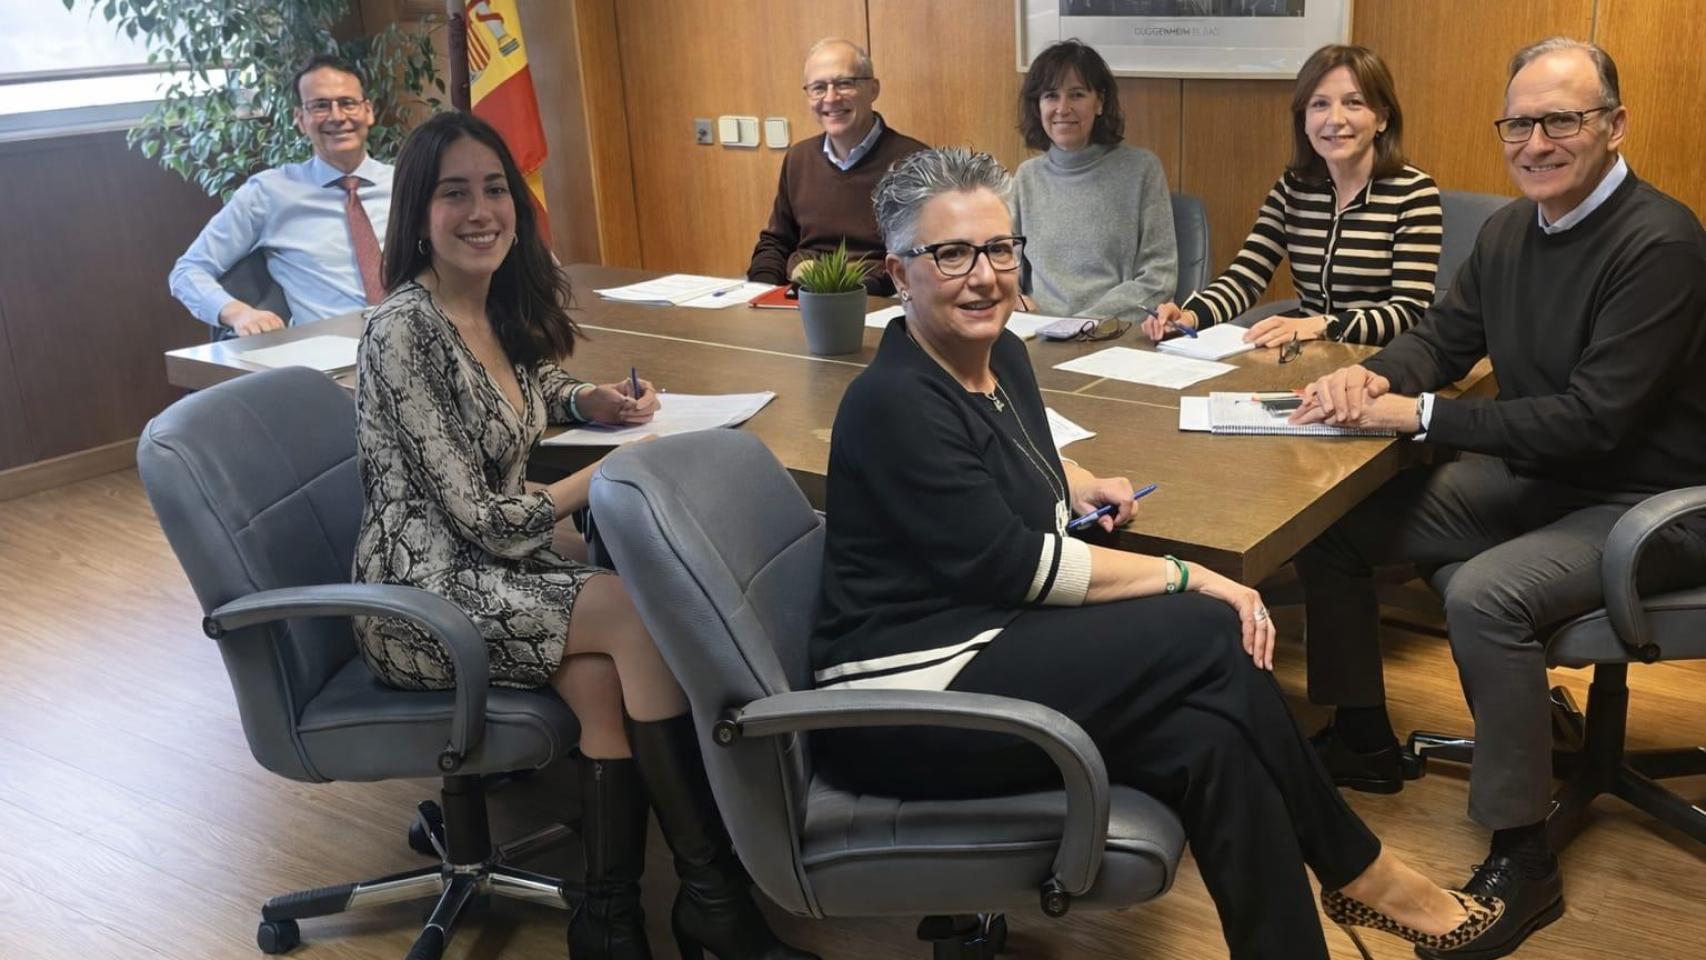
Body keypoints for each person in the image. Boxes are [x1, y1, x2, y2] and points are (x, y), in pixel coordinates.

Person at [811, 147, 1502, 960]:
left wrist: (1075, 481)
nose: (985, 275)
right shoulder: (891, 401)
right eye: (952, 254)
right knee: (1210, 628)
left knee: (1211, 740)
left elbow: (1004, 458)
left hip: (988, 638)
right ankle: (1366, 873)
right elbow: (1019, 568)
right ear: (898, 271)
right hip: (905, 697)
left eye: (1000, 249)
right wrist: (1188, 574)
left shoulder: (1000, 356)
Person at [352, 110, 816, 960]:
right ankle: (712, 897)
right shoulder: (401, 329)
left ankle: (609, 917)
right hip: (419, 595)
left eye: (496, 188)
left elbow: (521, 390)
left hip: (489, 567)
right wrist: (594, 477)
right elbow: (481, 519)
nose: (482, 209)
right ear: (418, 210)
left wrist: (586, 403)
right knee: (639, 614)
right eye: (455, 193)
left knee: (606, 675)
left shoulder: (486, 307)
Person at [1289, 38, 1706, 960]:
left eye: (1563, 119)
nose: (1536, 141)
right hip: (1540, 477)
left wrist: (1423, 413)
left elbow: (1594, 422)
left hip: (1651, 502)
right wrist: (1369, 381)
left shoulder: (1663, 241)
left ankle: (1525, 859)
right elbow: (1439, 338)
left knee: (1488, 594)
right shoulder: (1513, 231)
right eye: (1519, 121)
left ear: (1614, 126)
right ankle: (1361, 735)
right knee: (1335, 532)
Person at [1145, 45, 1441, 348]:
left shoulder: (1414, 192)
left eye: (1353, 103)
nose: (1334, 119)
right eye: (1320, 104)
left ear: (1382, 119)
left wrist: (1321, 325)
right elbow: (1245, 278)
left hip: (1380, 363)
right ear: (1304, 119)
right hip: (1306, 357)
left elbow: (1409, 312)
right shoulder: (1294, 186)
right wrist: (1189, 317)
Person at [170, 55, 393, 337]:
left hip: (420, 347)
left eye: (347, 103)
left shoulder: (408, 183)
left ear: (368, 111)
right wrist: (239, 314)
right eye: (320, 106)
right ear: (300, 119)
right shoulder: (270, 193)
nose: (337, 117)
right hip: (332, 360)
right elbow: (187, 272)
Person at [746, 38, 927, 296]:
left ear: (873, 89)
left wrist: (847, 290)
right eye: (818, 88)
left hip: (878, 299)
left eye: (844, 84)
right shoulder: (798, 159)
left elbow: (920, 255)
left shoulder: (915, 161)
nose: (830, 98)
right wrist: (761, 290)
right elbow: (776, 242)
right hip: (799, 297)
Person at [1013, 39, 1176, 320]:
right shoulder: (1027, 178)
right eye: (1051, 96)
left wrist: (1080, 325)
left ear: (1099, 102)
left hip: (1114, 335)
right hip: (1038, 335)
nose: (1063, 108)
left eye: (1076, 95)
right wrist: (1014, 301)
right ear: (1037, 106)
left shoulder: (1142, 170)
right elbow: (1003, 264)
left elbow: (1159, 279)